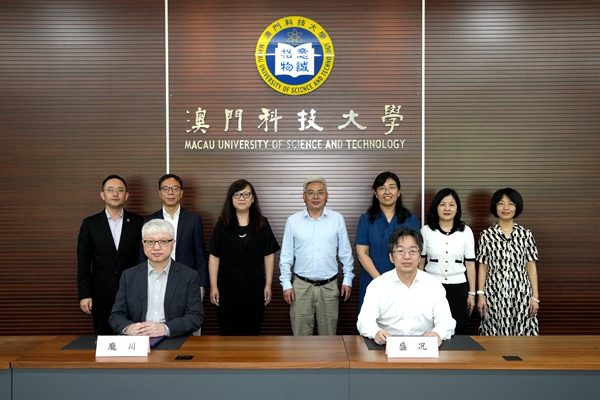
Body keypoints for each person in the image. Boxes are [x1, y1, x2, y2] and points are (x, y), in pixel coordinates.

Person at [279, 176, 355, 335]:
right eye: (311, 192)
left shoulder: (337, 219)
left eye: (320, 192)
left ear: (326, 196)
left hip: (329, 287)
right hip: (300, 287)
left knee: (328, 339)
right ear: (304, 196)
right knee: (300, 338)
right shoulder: (293, 221)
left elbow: (346, 253)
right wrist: (286, 283)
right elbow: (286, 256)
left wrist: (348, 279)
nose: (316, 196)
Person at [357, 227, 456, 346]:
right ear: (391, 257)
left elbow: (446, 321)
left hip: (423, 347)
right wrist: (376, 332)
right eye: (400, 251)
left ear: (420, 256)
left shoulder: (433, 285)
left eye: (413, 251)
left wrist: (437, 333)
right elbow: (364, 321)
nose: (407, 256)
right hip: (387, 347)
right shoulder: (378, 285)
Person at [208, 179, 280, 335]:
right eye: (237, 194)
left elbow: (269, 255)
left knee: (252, 335)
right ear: (231, 198)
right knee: (228, 334)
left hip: (255, 290)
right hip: (227, 291)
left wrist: (268, 284)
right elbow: (214, 256)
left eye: (246, 194)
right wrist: (213, 286)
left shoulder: (262, 224)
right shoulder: (222, 224)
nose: (242, 198)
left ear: (253, 198)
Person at [109, 219, 203, 337]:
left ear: (173, 243)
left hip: (174, 339)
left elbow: (195, 316)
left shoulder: (189, 276)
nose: (156, 247)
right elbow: (116, 315)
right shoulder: (129, 276)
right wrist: (129, 328)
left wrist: (165, 328)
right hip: (139, 339)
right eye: (150, 242)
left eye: (163, 241)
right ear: (143, 244)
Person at [77, 175, 144, 335]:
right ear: (102, 195)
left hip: (133, 292)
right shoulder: (90, 223)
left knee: (133, 339)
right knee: (105, 340)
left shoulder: (138, 222)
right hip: (101, 294)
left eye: (120, 190)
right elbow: (83, 263)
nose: (115, 194)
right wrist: (85, 294)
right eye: (110, 190)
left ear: (126, 195)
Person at [476, 188, 540, 336]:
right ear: (495, 206)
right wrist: (481, 295)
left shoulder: (525, 234)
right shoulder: (486, 235)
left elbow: (531, 266)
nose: (506, 208)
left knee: (523, 336)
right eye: (501, 203)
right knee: (493, 335)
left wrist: (535, 297)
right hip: (494, 294)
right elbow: (483, 267)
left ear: (517, 207)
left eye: (511, 204)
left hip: (521, 295)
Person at [355, 171, 419, 311]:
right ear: (375, 193)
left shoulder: (411, 219)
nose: (387, 192)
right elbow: (362, 253)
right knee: (371, 320)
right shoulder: (366, 219)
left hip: (404, 280)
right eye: (382, 188)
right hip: (373, 278)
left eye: (391, 187)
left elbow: (416, 252)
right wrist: (381, 281)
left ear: (399, 191)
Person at [418, 188, 476, 335]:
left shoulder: (466, 231)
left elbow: (470, 265)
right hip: (432, 286)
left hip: (458, 288)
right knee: (431, 327)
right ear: (436, 207)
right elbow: (420, 263)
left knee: (459, 328)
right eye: (442, 204)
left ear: (457, 208)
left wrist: (472, 294)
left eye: (451, 204)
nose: (447, 208)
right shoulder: (426, 231)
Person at [140, 174, 208, 291]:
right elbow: (143, 254)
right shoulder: (150, 220)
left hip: (186, 277)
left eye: (175, 188)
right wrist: (142, 280)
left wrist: (201, 284)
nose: (170, 192)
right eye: (165, 189)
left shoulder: (193, 219)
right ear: (160, 193)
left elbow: (200, 254)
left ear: (181, 193)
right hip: (156, 277)